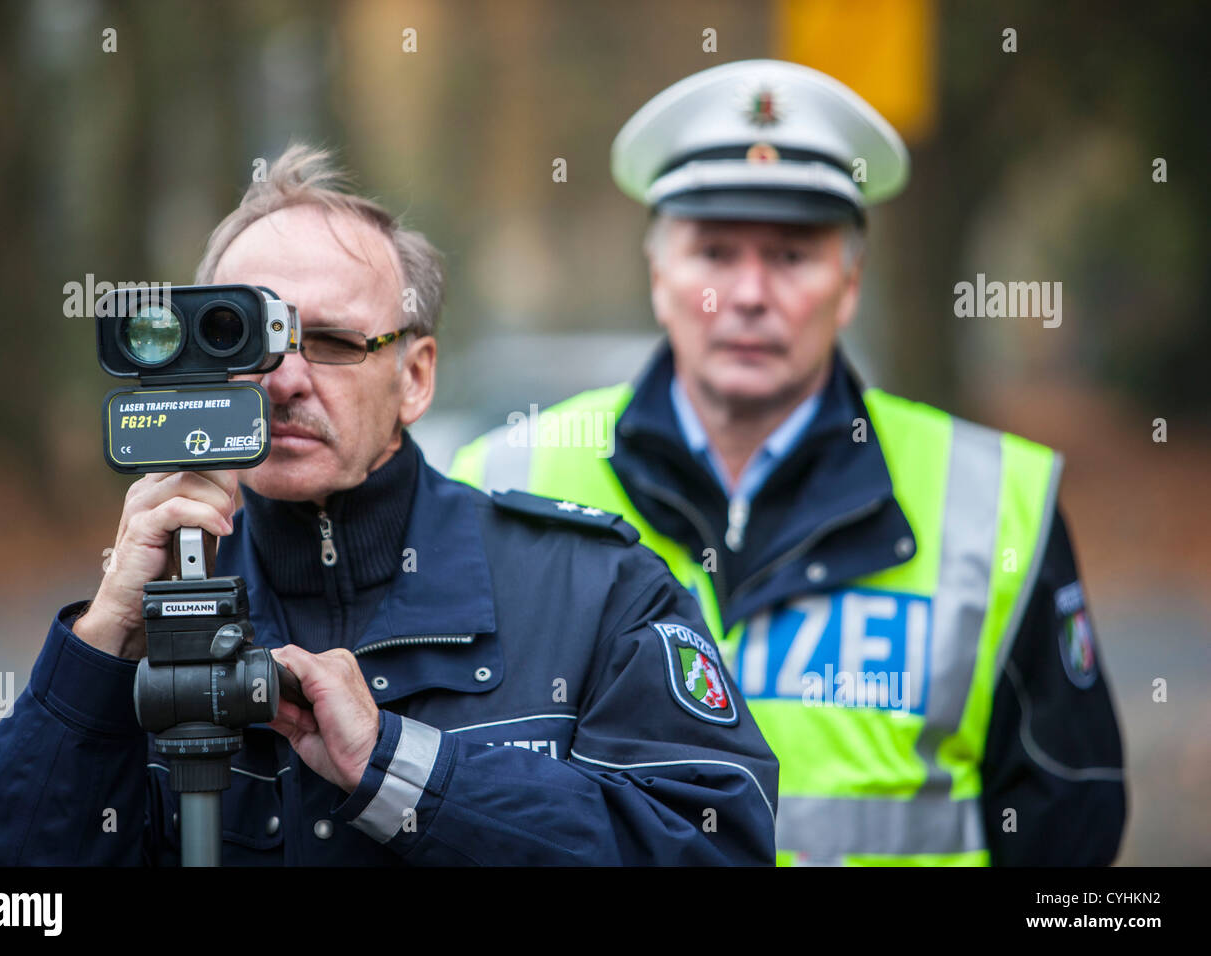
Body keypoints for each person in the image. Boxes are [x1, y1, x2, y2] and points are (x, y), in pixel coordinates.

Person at [0, 144, 778, 866]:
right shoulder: (144, 615)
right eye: (243, 336)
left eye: (330, 342)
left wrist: (403, 769)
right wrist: (98, 658)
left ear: (416, 376)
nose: (286, 380)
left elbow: (719, 846)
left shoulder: (594, 592)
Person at [450, 60, 1126, 865]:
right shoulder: (499, 483)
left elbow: (1071, 824)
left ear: (849, 282)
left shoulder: (997, 501)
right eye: (714, 252)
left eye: (791, 256)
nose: (748, 294)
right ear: (659, 275)